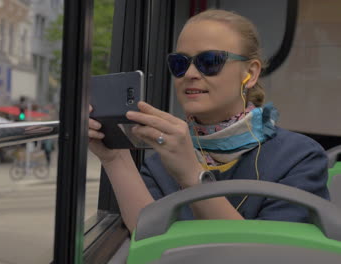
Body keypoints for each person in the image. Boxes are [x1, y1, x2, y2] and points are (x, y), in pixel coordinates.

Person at [88, 9, 330, 234]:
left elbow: (271, 254)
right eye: (180, 64)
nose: (191, 74)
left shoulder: (300, 158)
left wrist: (193, 176)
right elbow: (147, 237)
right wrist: (115, 159)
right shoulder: (161, 162)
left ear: (251, 73)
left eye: (210, 61)